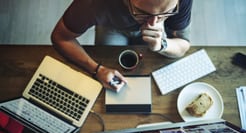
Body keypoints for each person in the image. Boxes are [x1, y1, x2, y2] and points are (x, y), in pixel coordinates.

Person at [51, 0, 193, 91]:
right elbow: (60, 38)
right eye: (143, 13)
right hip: (112, 27)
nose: (153, 23)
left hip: (157, 36)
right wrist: (97, 69)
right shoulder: (92, 3)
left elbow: (183, 43)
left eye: (167, 13)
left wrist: (162, 44)